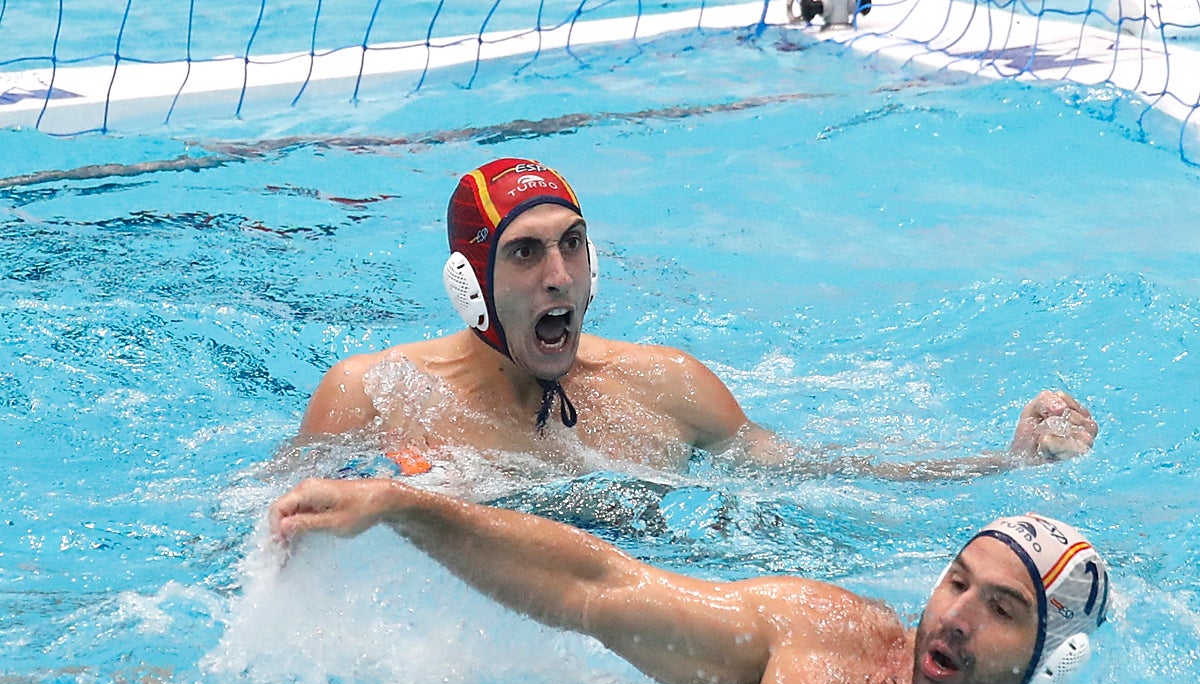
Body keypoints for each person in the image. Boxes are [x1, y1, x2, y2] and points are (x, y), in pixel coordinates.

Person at [298, 157, 1098, 479]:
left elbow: (822, 473)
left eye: (573, 246)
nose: (558, 278)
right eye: (526, 254)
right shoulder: (375, 397)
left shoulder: (666, 385)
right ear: (469, 284)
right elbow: (256, 537)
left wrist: (1008, 460)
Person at [269, 477, 1110, 684]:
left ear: (1053, 660)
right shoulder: (821, 637)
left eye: (1001, 607)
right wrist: (408, 507)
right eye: (956, 580)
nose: (955, 614)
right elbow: (599, 587)